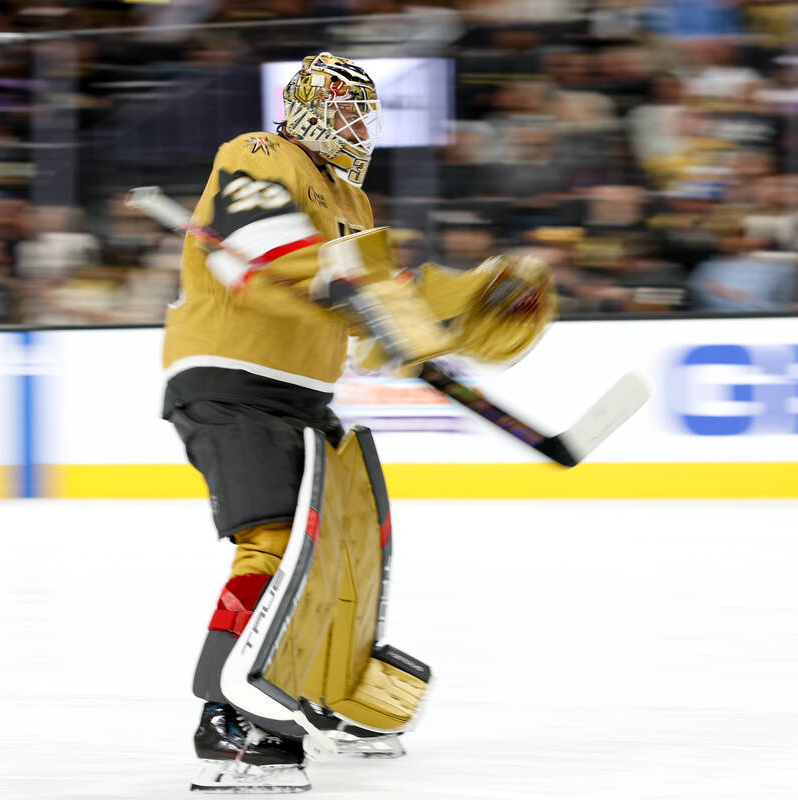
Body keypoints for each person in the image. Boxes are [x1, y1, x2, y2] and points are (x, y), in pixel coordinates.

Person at [160, 53, 556, 793]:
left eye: (364, 114)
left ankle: (317, 686)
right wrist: (355, 289)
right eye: (344, 111)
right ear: (305, 108)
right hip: (227, 379)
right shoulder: (259, 151)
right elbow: (261, 250)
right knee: (272, 543)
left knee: (338, 550)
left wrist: (459, 312)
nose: (358, 127)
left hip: (303, 396)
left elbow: (370, 315)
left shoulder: (352, 200)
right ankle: (229, 714)